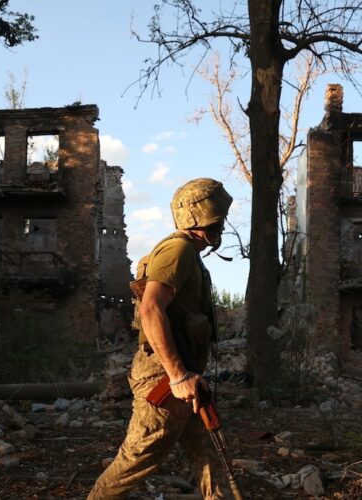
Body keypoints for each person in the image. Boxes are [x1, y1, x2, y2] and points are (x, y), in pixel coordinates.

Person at [88, 178, 234, 499]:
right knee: (137, 459)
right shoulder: (177, 249)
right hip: (166, 381)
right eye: (217, 218)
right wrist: (179, 375)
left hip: (185, 378)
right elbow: (152, 308)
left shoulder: (190, 254)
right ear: (198, 217)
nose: (222, 224)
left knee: (211, 458)